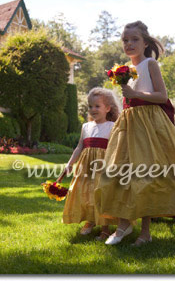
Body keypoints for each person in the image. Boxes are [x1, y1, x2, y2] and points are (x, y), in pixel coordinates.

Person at [94, 21, 175, 246]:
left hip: (148, 123)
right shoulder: (123, 70)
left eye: (134, 40)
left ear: (145, 42)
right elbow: (128, 97)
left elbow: (161, 96)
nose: (129, 44)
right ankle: (123, 223)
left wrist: (135, 95)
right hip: (129, 122)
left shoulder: (150, 64)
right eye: (125, 40)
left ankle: (145, 233)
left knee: (146, 175)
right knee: (120, 171)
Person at [62, 87, 120, 241]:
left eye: (97, 106)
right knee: (85, 194)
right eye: (90, 106)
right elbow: (80, 147)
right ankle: (91, 220)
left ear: (107, 108)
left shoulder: (112, 126)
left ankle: (105, 228)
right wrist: (70, 163)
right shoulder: (86, 127)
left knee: (101, 196)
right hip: (86, 167)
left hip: (103, 166)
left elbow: (115, 148)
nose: (93, 109)